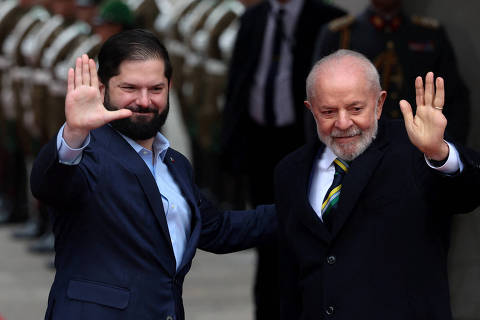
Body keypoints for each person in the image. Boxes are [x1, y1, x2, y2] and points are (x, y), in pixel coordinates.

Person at [30, 29, 276, 320]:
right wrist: (73, 134)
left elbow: (219, 229)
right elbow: (48, 184)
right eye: (130, 88)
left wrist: (309, 205)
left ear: (169, 86)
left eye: (156, 89)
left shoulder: (175, 164)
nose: (144, 101)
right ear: (101, 88)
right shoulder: (84, 155)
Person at [274, 49, 480, 319]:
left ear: (380, 103)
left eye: (356, 108)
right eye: (328, 112)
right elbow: (290, 275)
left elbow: (467, 194)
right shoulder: (290, 171)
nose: (344, 123)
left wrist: (439, 153)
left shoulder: (414, 150)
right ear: (310, 110)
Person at [221, 1, 345, 318]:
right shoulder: (253, 17)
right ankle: (267, 311)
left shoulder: (328, 19)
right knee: (266, 234)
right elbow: (237, 80)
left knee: (305, 233)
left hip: (304, 141)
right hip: (259, 142)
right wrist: (231, 145)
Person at [313, 0, 470, 144]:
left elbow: (455, 99)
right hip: (359, 147)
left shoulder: (429, 33)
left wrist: (445, 149)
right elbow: (317, 100)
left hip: (419, 147)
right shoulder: (340, 34)